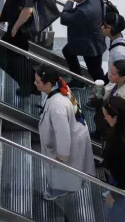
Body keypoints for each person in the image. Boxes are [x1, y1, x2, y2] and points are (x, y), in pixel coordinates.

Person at [34, 65, 96, 200]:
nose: (35, 83)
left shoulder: (57, 106)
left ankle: (59, 189)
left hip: (69, 144)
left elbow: (63, 134)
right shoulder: (61, 87)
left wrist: (61, 156)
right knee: (71, 170)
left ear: (48, 84)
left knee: (63, 171)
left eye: (38, 81)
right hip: (75, 135)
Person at [59, 0, 106, 84]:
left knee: (95, 71)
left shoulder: (84, 12)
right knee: (67, 51)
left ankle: (103, 91)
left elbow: (64, 18)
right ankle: (78, 80)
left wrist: (70, 2)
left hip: (91, 45)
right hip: (86, 37)